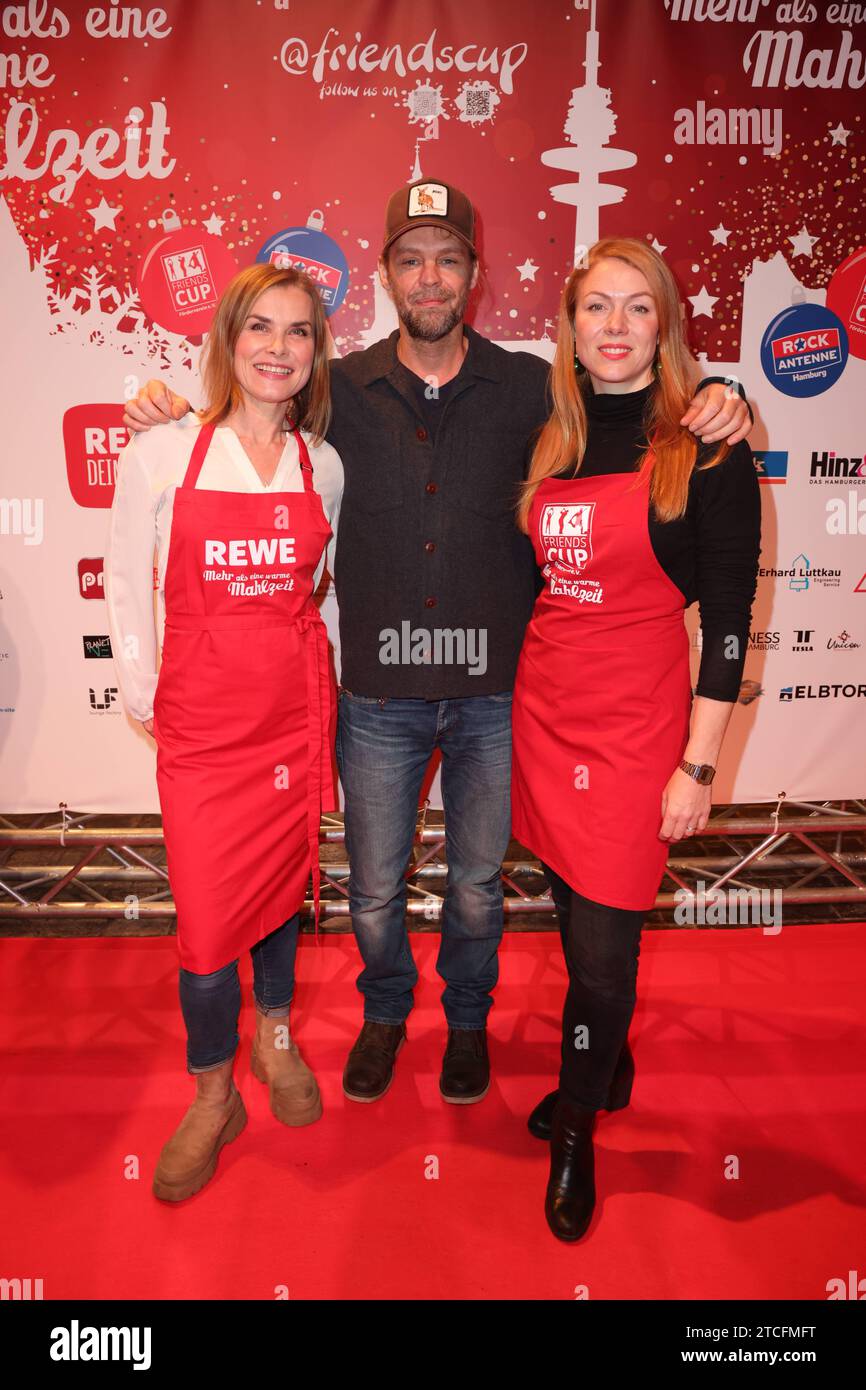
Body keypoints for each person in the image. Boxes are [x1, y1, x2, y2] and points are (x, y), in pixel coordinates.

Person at [121, 179, 752, 1110]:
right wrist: (164, 409)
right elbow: (247, 428)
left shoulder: (540, 391)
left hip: (498, 696)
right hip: (378, 697)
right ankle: (386, 1014)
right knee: (374, 888)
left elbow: (633, 407)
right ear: (384, 274)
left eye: (448, 259)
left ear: (475, 275)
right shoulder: (336, 393)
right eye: (411, 259)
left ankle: (466, 1022)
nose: (429, 276)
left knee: (475, 885)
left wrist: (720, 394)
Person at [510, 237, 761, 1241]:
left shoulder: (705, 448)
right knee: (572, 918)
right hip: (545, 712)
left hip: (638, 731)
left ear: (664, 328)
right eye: (594, 308)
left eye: (636, 308)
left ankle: (575, 1129)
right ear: (569, 329)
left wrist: (695, 765)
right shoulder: (550, 440)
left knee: (602, 959)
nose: (613, 328)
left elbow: (732, 622)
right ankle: (604, 1065)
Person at [106, 264, 343, 1201]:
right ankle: (212, 1094)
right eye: (260, 329)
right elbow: (128, 580)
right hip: (203, 726)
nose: (278, 348)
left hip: (290, 716)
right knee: (206, 924)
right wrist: (144, 697)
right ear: (227, 342)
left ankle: (276, 1040)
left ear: (316, 352)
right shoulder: (164, 451)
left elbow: (324, 598)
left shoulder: (322, 464)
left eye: (298, 332)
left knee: (281, 895)